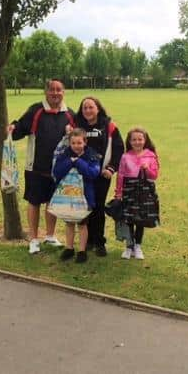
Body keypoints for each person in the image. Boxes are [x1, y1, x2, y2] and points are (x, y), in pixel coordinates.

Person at [8, 79, 75, 254]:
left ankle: (50, 236)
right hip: (35, 167)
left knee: (53, 202)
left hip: (58, 169)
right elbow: (20, 128)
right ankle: (33, 239)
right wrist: (11, 129)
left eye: (59, 90)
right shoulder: (36, 110)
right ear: (46, 92)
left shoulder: (69, 114)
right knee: (34, 202)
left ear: (63, 92)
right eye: (52, 89)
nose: (55, 93)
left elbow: (79, 139)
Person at [74, 96, 124, 257]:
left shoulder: (109, 127)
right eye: (85, 108)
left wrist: (111, 168)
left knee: (98, 207)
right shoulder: (76, 126)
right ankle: (86, 240)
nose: (88, 110)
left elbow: (118, 149)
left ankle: (99, 242)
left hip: (101, 175)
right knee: (85, 208)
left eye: (91, 107)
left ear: (98, 108)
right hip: (81, 175)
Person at [52, 128, 101, 263]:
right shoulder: (64, 155)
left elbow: (93, 173)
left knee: (82, 223)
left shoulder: (92, 156)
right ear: (69, 143)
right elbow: (57, 172)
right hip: (67, 196)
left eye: (79, 143)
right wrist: (70, 162)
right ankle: (69, 248)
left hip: (84, 196)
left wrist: (78, 162)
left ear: (85, 142)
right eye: (73, 143)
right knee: (69, 223)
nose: (76, 146)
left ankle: (82, 250)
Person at [115, 127, 159, 260]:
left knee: (140, 219)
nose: (137, 142)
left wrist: (147, 170)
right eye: (134, 139)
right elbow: (121, 175)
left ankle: (138, 246)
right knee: (128, 219)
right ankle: (129, 246)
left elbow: (155, 175)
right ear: (129, 141)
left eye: (140, 139)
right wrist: (118, 193)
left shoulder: (151, 155)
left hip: (145, 191)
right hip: (129, 191)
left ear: (145, 140)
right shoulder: (125, 156)